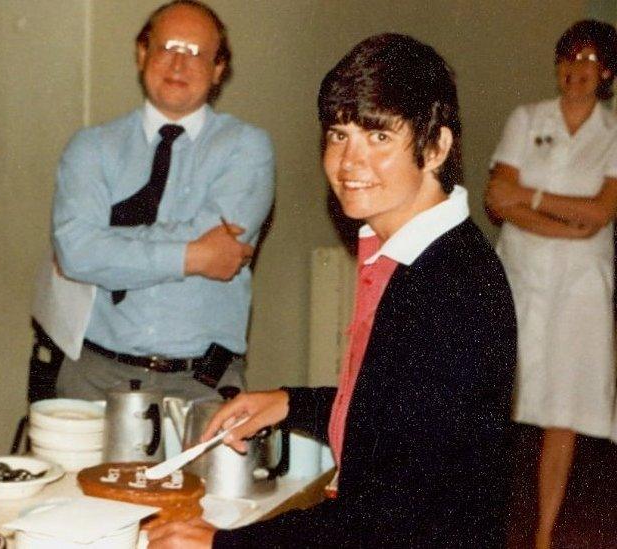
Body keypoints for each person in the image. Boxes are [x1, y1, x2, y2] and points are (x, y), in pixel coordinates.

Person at [149, 33, 517, 548]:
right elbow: (392, 415)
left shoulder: (451, 288)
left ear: (435, 147)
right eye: (339, 134)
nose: (349, 162)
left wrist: (223, 544)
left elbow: (390, 518)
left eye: (379, 138)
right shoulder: (410, 254)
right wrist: (288, 404)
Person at [51, 0, 274, 402]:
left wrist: (110, 245)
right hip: (93, 378)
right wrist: (193, 256)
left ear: (218, 69)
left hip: (202, 385)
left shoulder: (246, 147)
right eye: (166, 47)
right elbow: (76, 252)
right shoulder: (92, 147)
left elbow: (94, 248)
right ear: (142, 54)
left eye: (195, 53)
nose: (178, 64)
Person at [484, 19, 617, 549]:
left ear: (606, 72)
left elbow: (602, 211)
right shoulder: (527, 118)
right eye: (569, 59)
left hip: (582, 285)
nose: (576, 71)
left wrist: (530, 201)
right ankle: (484, 523)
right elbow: (497, 198)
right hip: (520, 271)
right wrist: (566, 221)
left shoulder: (613, 134)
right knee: (499, 396)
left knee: (563, 407)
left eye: (588, 61)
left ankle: (543, 534)